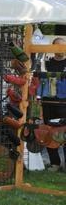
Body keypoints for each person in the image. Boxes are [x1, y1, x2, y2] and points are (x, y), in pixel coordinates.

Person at [44, 37, 66, 172]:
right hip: (48, 103)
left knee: (64, 133)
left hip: (64, 104)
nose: (61, 50)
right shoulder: (46, 63)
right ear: (53, 48)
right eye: (58, 47)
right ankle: (55, 163)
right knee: (49, 132)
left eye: (63, 47)